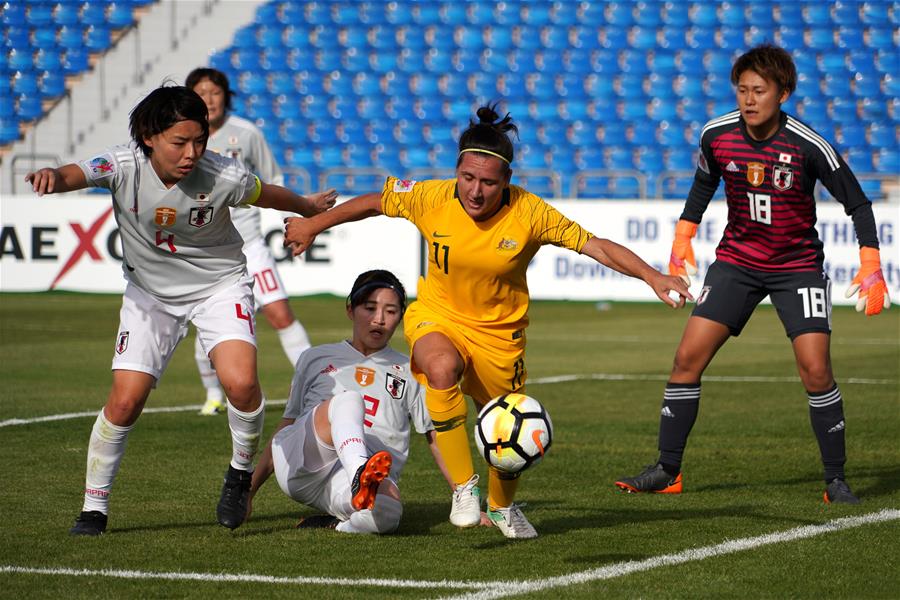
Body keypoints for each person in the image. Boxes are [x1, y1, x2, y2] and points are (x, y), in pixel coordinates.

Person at [283, 104, 691, 538]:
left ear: (507, 181)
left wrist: (652, 275)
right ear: (456, 170)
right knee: (439, 368)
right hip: (439, 317)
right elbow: (375, 202)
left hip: (500, 339)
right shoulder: (431, 197)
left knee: (506, 430)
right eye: (468, 178)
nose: (476, 191)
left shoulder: (530, 213)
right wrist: (315, 224)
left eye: (489, 182)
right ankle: (463, 487)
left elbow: (596, 246)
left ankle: (502, 507)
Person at [25, 85, 337, 535]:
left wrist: (307, 209)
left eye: (200, 141)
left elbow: (266, 193)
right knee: (126, 401)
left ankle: (239, 477)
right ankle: (94, 507)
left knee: (243, 383)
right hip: (149, 294)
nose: (192, 153)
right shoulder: (122, 164)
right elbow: (79, 172)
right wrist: (54, 176)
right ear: (150, 136)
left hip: (219, 286)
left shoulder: (222, 175)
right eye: (180, 142)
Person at [614, 45, 890, 503]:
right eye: (742, 89)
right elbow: (704, 183)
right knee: (686, 360)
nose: (748, 99)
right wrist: (683, 238)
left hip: (796, 268)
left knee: (816, 370)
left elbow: (857, 203)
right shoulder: (717, 135)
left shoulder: (808, 144)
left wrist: (871, 265)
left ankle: (835, 480)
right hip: (736, 263)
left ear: (783, 92)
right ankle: (667, 469)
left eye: (759, 90)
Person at [248, 269, 454, 534]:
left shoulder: (412, 370)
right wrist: (248, 491)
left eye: (391, 312)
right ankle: (360, 472)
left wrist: (465, 499)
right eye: (370, 308)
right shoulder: (314, 358)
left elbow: (434, 437)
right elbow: (288, 423)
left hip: (341, 483)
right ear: (350, 309)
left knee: (388, 513)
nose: (379, 320)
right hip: (303, 463)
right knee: (347, 402)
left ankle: (341, 523)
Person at [185, 67, 319, 416]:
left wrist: (291, 222)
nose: (208, 99)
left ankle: (312, 386)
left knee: (280, 313)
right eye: (201, 92)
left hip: (248, 245)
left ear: (225, 95)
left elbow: (272, 179)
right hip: (205, 251)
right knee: (206, 329)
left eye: (214, 92)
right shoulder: (183, 135)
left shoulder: (246, 133)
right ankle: (213, 395)